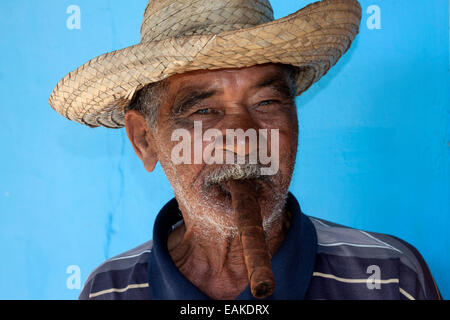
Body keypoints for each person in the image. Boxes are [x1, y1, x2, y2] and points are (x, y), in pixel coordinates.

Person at [49, 0, 441, 300]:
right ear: (144, 140)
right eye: (204, 110)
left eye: (267, 103)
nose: (242, 139)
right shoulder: (109, 290)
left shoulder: (390, 276)